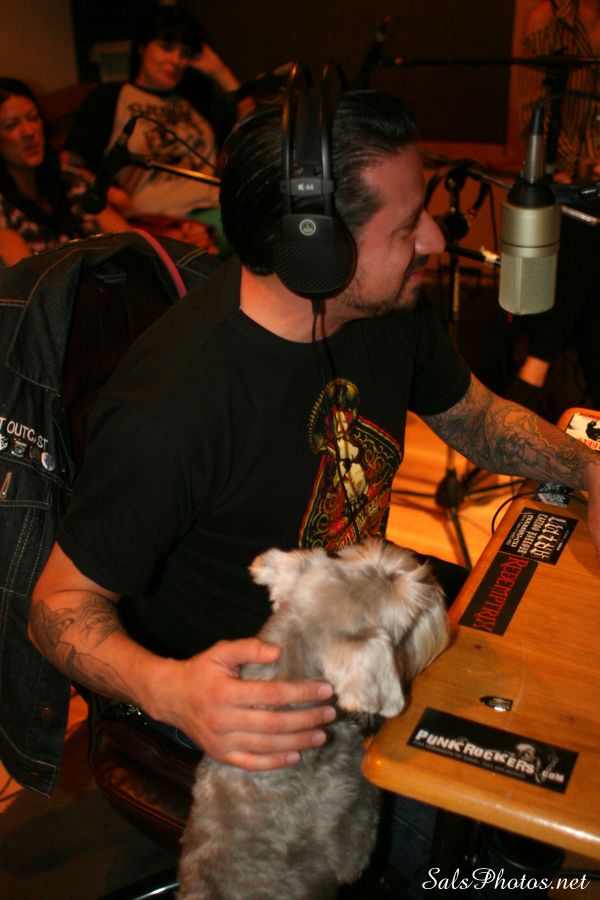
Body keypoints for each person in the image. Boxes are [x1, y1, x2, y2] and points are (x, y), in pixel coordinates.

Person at [28, 87, 600, 893]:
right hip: (251, 701)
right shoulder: (173, 409)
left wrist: (587, 466)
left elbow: (472, 414)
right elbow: (56, 604)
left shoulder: (385, 308)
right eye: (407, 225)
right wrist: (171, 690)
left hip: (363, 625)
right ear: (315, 251)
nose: (435, 240)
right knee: (483, 848)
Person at [64, 5, 251, 254]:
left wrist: (220, 72)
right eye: (166, 47)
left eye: (184, 53)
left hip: (217, 205)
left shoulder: (197, 105)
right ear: (142, 47)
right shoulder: (110, 97)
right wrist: (110, 194)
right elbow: (68, 166)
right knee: (260, 228)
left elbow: (253, 128)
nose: (176, 60)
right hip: (161, 219)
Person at [508, 0, 600, 416]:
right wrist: (580, 166)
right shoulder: (548, 23)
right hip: (566, 187)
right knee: (585, 229)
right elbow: (535, 113)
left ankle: (533, 371)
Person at [0, 77, 128, 266]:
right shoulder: (3, 210)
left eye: (33, 118)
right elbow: (27, 278)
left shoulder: (70, 181)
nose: (28, 132)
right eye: (11, 125)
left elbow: (129, 242)